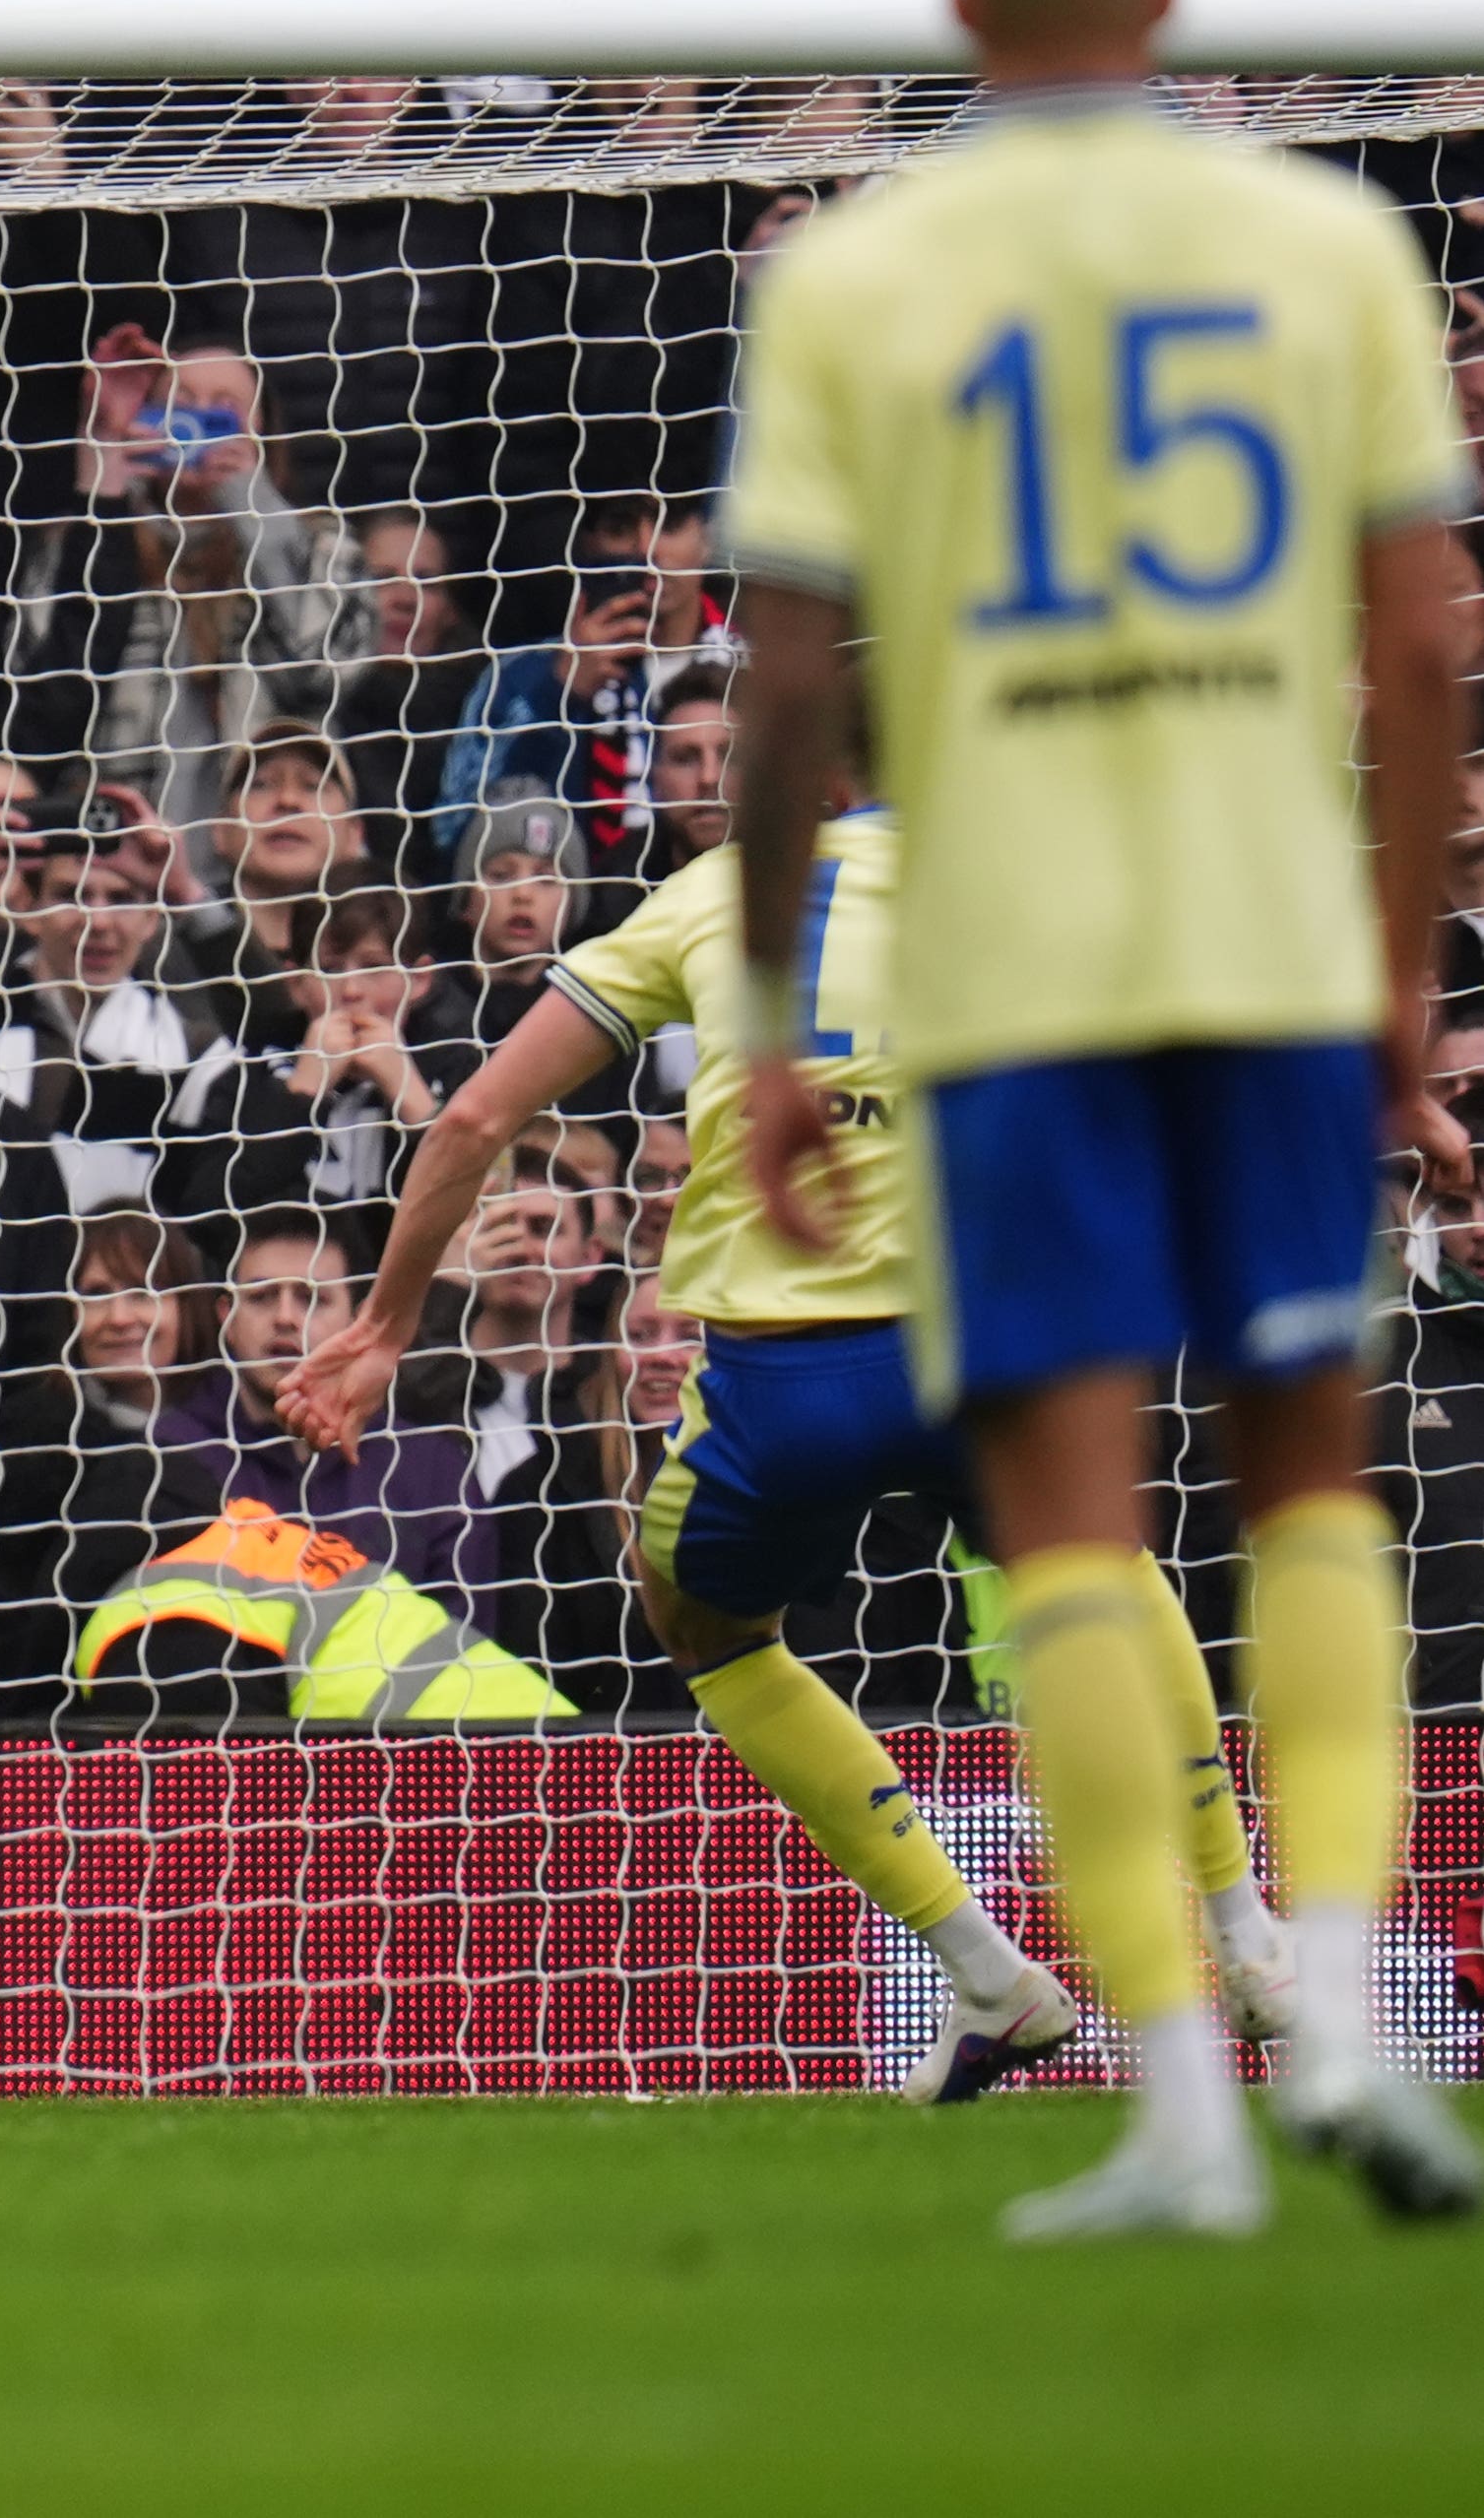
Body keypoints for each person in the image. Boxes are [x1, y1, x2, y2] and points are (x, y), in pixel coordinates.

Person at [718, 0, 1482, 2235]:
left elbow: (771, 695)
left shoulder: (856, 271)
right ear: (1168, 3)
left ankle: (1172, 2106)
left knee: (1058, 1524)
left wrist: (756, 1024)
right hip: (1257, 940)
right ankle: (1343, 2013)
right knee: (1296, 1477)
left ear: (948, 10)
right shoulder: (1319, 240)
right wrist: (1398, 975)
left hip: (1001, 971)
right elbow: (1427, 643)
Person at [285, 792, 1290, 2104]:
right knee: (1104, 1563)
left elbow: (474, 1119)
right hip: (980, 1341)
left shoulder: (719, 888)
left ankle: (984, 1969)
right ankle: (1245, 1928)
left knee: (708, 1628)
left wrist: (383, 1323)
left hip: (784, 1373)